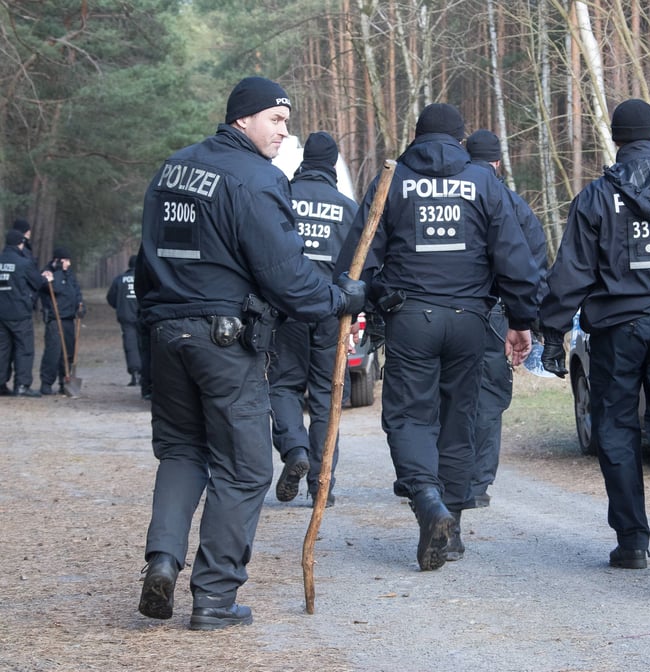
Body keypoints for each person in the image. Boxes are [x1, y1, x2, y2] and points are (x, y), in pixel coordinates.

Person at [133, 76, 366, 631]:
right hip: (223, 341)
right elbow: (286, 277)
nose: (285, 134)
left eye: (287, 123)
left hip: (167, 334)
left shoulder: (172, 169)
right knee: (243, 470)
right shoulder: (255, 180)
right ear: (243, 119)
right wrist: (341, 297)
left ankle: (163, 560)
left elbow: (145, 258)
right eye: (276, 121)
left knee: (183, 452)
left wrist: (156, 319)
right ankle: (213, 597)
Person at [338, 103, 540, 571]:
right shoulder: (482, 181)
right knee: (459, 419)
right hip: (470, 319)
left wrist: (351, 314)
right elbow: (513, 255)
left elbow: (361, 255)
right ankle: (453, 531)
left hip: (411, 319)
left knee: (409, 417)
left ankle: (428, 502)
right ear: (459, 138)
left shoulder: (394, 180)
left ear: (417, 136)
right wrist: (521, 319)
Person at [538, 100, 650, 571]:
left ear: (617, 142)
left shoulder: (596, 198)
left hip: (615, 333)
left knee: (617, 432)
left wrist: (553, 334)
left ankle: (632, 541)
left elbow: (571, 273)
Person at [269, 131, 359, 508]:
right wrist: (353, 314)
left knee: (283, 387)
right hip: (331, 311)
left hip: (287, 308)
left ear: (303, 163)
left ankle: (294, 450)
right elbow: (357, 268)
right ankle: (321, 484)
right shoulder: (347, 208)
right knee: (326, 397)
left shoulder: (282, 199)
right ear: (333, 164)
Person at [464, 129, 548, 514]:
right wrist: (527, 317)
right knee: (489, 398)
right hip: (499, 313)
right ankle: (479, 481)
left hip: (457, 308)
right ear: (498, 162)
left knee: (447, 392)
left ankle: (444, 476)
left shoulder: (457, 197)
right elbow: (535, 264)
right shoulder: (516, 206)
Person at [0, 230, 52, 397]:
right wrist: (46, 278)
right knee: (24, 349)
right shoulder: (23, 263)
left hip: (1, 313)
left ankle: (1, 384)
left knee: (2, 349)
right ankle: (22, 385)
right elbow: (37, 282)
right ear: (20, 244)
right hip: (20, 313)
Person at [38, 247, 83, 396]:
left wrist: (81, 305)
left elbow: (76, 292)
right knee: (53, 352)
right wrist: (55, 273)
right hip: (55, 319)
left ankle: (65, 382)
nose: (68, 264)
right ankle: (46, 383)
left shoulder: (69, 275)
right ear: (57, 260)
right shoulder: (48, 273)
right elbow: (51, 288)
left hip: (69, 319)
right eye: (66, 261)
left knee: (68, 353)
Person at [106, 255, 142, 386]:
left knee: (130, 346)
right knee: (143, 344)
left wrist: (120, 306)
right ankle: (145, 375)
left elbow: (110, 298)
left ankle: (134, 374)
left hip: (126, 317)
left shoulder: (119, 280)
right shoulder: (145, 278)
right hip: (143, 316)